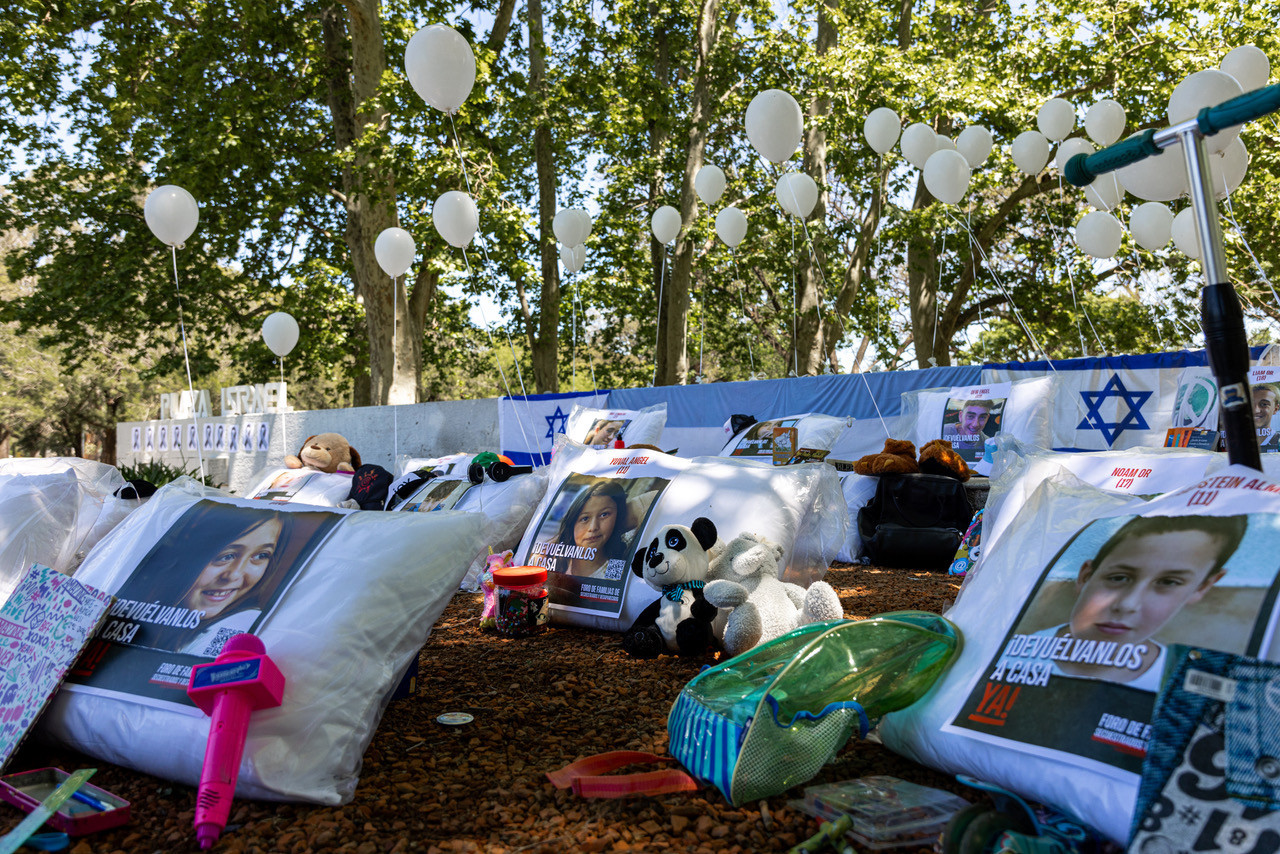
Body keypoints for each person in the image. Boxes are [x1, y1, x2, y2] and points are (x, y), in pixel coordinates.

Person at [1006, 514, 1247, 690]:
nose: (1128, 604)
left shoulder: (1182, 689)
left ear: (1203, 586)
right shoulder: (1012, 656)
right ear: (1085, 576)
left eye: (1169, 582)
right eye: (1118, 578)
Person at [128, 504, 299, 656]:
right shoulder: (143, 608)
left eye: (261, 556)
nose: (234, 575)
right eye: (226, 556)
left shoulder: (246, 625)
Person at [551, 480, 629, 578]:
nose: (593, 528)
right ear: (572, 523)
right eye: (585, 518)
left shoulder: (615, 569)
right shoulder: (555, 560)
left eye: (604, 515)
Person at [1252, 383, 1279, 449]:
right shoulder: (1235, 440)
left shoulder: (1277, 440)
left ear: (1275, 409)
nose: (1256, 410)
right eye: (1251, 404)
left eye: (1264, 404)